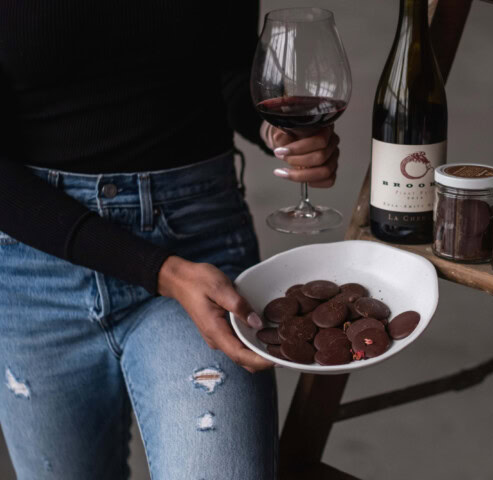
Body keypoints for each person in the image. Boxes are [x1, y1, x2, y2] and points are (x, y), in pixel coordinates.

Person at [0, 1, 340, 478]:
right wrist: (157, 270)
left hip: (199, 241)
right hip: (36, 258)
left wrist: (279, 130)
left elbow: (231, 70)